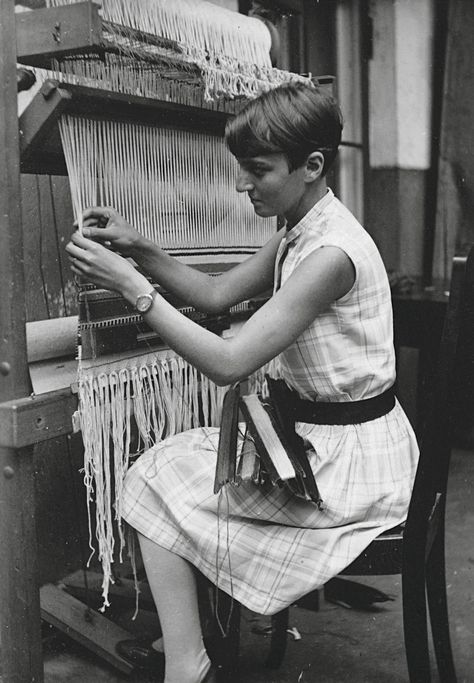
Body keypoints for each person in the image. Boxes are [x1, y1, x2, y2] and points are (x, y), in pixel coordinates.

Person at [66, 82, 419, 683]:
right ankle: (190, 655)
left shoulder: (330, 254)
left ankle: (188, 664)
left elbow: (228, 362)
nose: (240, 184)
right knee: (160, 469)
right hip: (324, 440)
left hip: (353, 467)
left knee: (153, 476)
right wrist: (140, 248)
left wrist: (131, 287)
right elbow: (217, 293)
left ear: (312, 166)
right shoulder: (299, 228)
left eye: (258, 170)